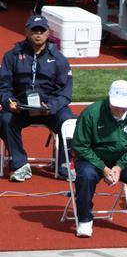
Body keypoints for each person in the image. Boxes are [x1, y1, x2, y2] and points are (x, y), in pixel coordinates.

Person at [71, 80, 127, 239]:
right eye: (115, 105)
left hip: (123, 161)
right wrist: (103, 168)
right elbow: (80, 146)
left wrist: (119, 166)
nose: (119, 109)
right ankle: (84, 219)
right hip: (92, 160)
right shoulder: (91, 113)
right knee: (85, 175)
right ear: (109, 98)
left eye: (123, 106)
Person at [0, 15, 75, 181]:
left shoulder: (59, 59)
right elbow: (3, 86)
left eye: (42, 30)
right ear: (26, 31)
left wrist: (51, 106)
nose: (38, 34)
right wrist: (8, 101)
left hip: (49, 108)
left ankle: (63, 165)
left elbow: (65, 92)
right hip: (21, 108)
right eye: (34, 30)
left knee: (69, 122)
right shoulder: (11, 56)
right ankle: (20, 165)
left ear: (48, 33)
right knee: (4, 119)